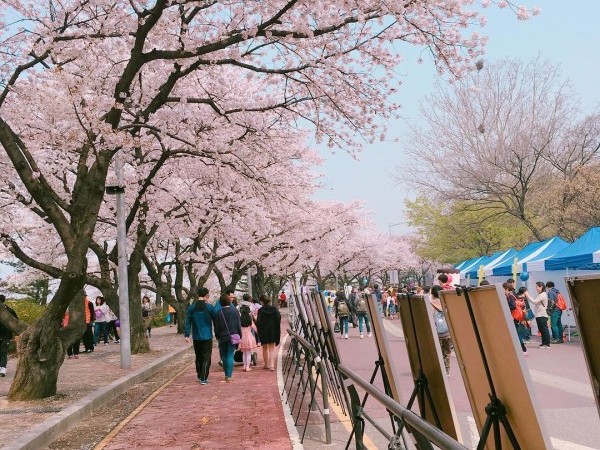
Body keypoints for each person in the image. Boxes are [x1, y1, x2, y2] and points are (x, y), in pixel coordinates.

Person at [184, 287, 216, 385]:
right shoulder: (210, 307)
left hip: (196, 336)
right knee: (206, 357)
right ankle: (204, 378)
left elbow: (187, 322)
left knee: (198, 356)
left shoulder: (191, 308)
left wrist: (186, 334)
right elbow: (216, 320)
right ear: (206, 295)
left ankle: (199, 374)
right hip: (207, 336)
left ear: (198, 295)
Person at [213, 293, 242, 382]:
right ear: (229, 301)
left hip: (222, 336)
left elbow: (216, 326)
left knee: (224, 356)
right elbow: (238, 325)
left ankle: (226, 374)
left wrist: (217, 335)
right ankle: (229, 376)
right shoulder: (235, 311)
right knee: (230, 355)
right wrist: (240, 335)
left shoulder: (218, 313)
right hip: (233, 336)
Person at [430, 286, 452, 375]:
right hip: (447, 333)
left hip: (436, 333)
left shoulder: (430, 304)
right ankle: (447, 370)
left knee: (437, 352)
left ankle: (439, 371)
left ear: (432, 294)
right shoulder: (446, 303)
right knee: (447, 352)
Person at [256, 294, 281, 371]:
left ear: (262, 302)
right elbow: (278, 319)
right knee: (272, 349)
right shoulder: (274, 309)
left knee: (264, 349)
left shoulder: (260, 311)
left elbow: (259, 322)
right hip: (273, 331)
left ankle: (266, 364)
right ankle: (272, 366)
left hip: (263, 331)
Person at [525, 282, 551, 348]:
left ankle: (547, 344)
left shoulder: (543, 294)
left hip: (542, 314)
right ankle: (543, 343)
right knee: (541, 329)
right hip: (539, 314)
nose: (536, 288)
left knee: (544, 329)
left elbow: (535, 301)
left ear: (541, 287)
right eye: (536, 286)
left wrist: (527, 295)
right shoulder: (540, 294)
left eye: (537, 287)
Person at [504, 283, 527, 356]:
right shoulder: (512, 295)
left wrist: (506, 308)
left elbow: (513, 306)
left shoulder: (510, 296)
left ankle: (523, 349)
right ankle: (521, 349)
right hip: (516, 317)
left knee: (516, 334)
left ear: (506, 289)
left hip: (513, 317)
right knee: (515, 333)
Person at [0, 294, 18, 377]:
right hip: (5, 334)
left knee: (3, 351)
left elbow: (16, 322)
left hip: (5, 334)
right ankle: (2, 368)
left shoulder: (10, 311)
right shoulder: (10, 310)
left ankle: (3, 368)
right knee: (3, 352)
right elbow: (16, 322)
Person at [239, 306, 258, 371]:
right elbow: (255, 329)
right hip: (249, 337)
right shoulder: (250, 320)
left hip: (242, 338)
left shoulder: (239, 320)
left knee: (244, 353)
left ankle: (244, 366)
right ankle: (247, 367)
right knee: (249, 353)